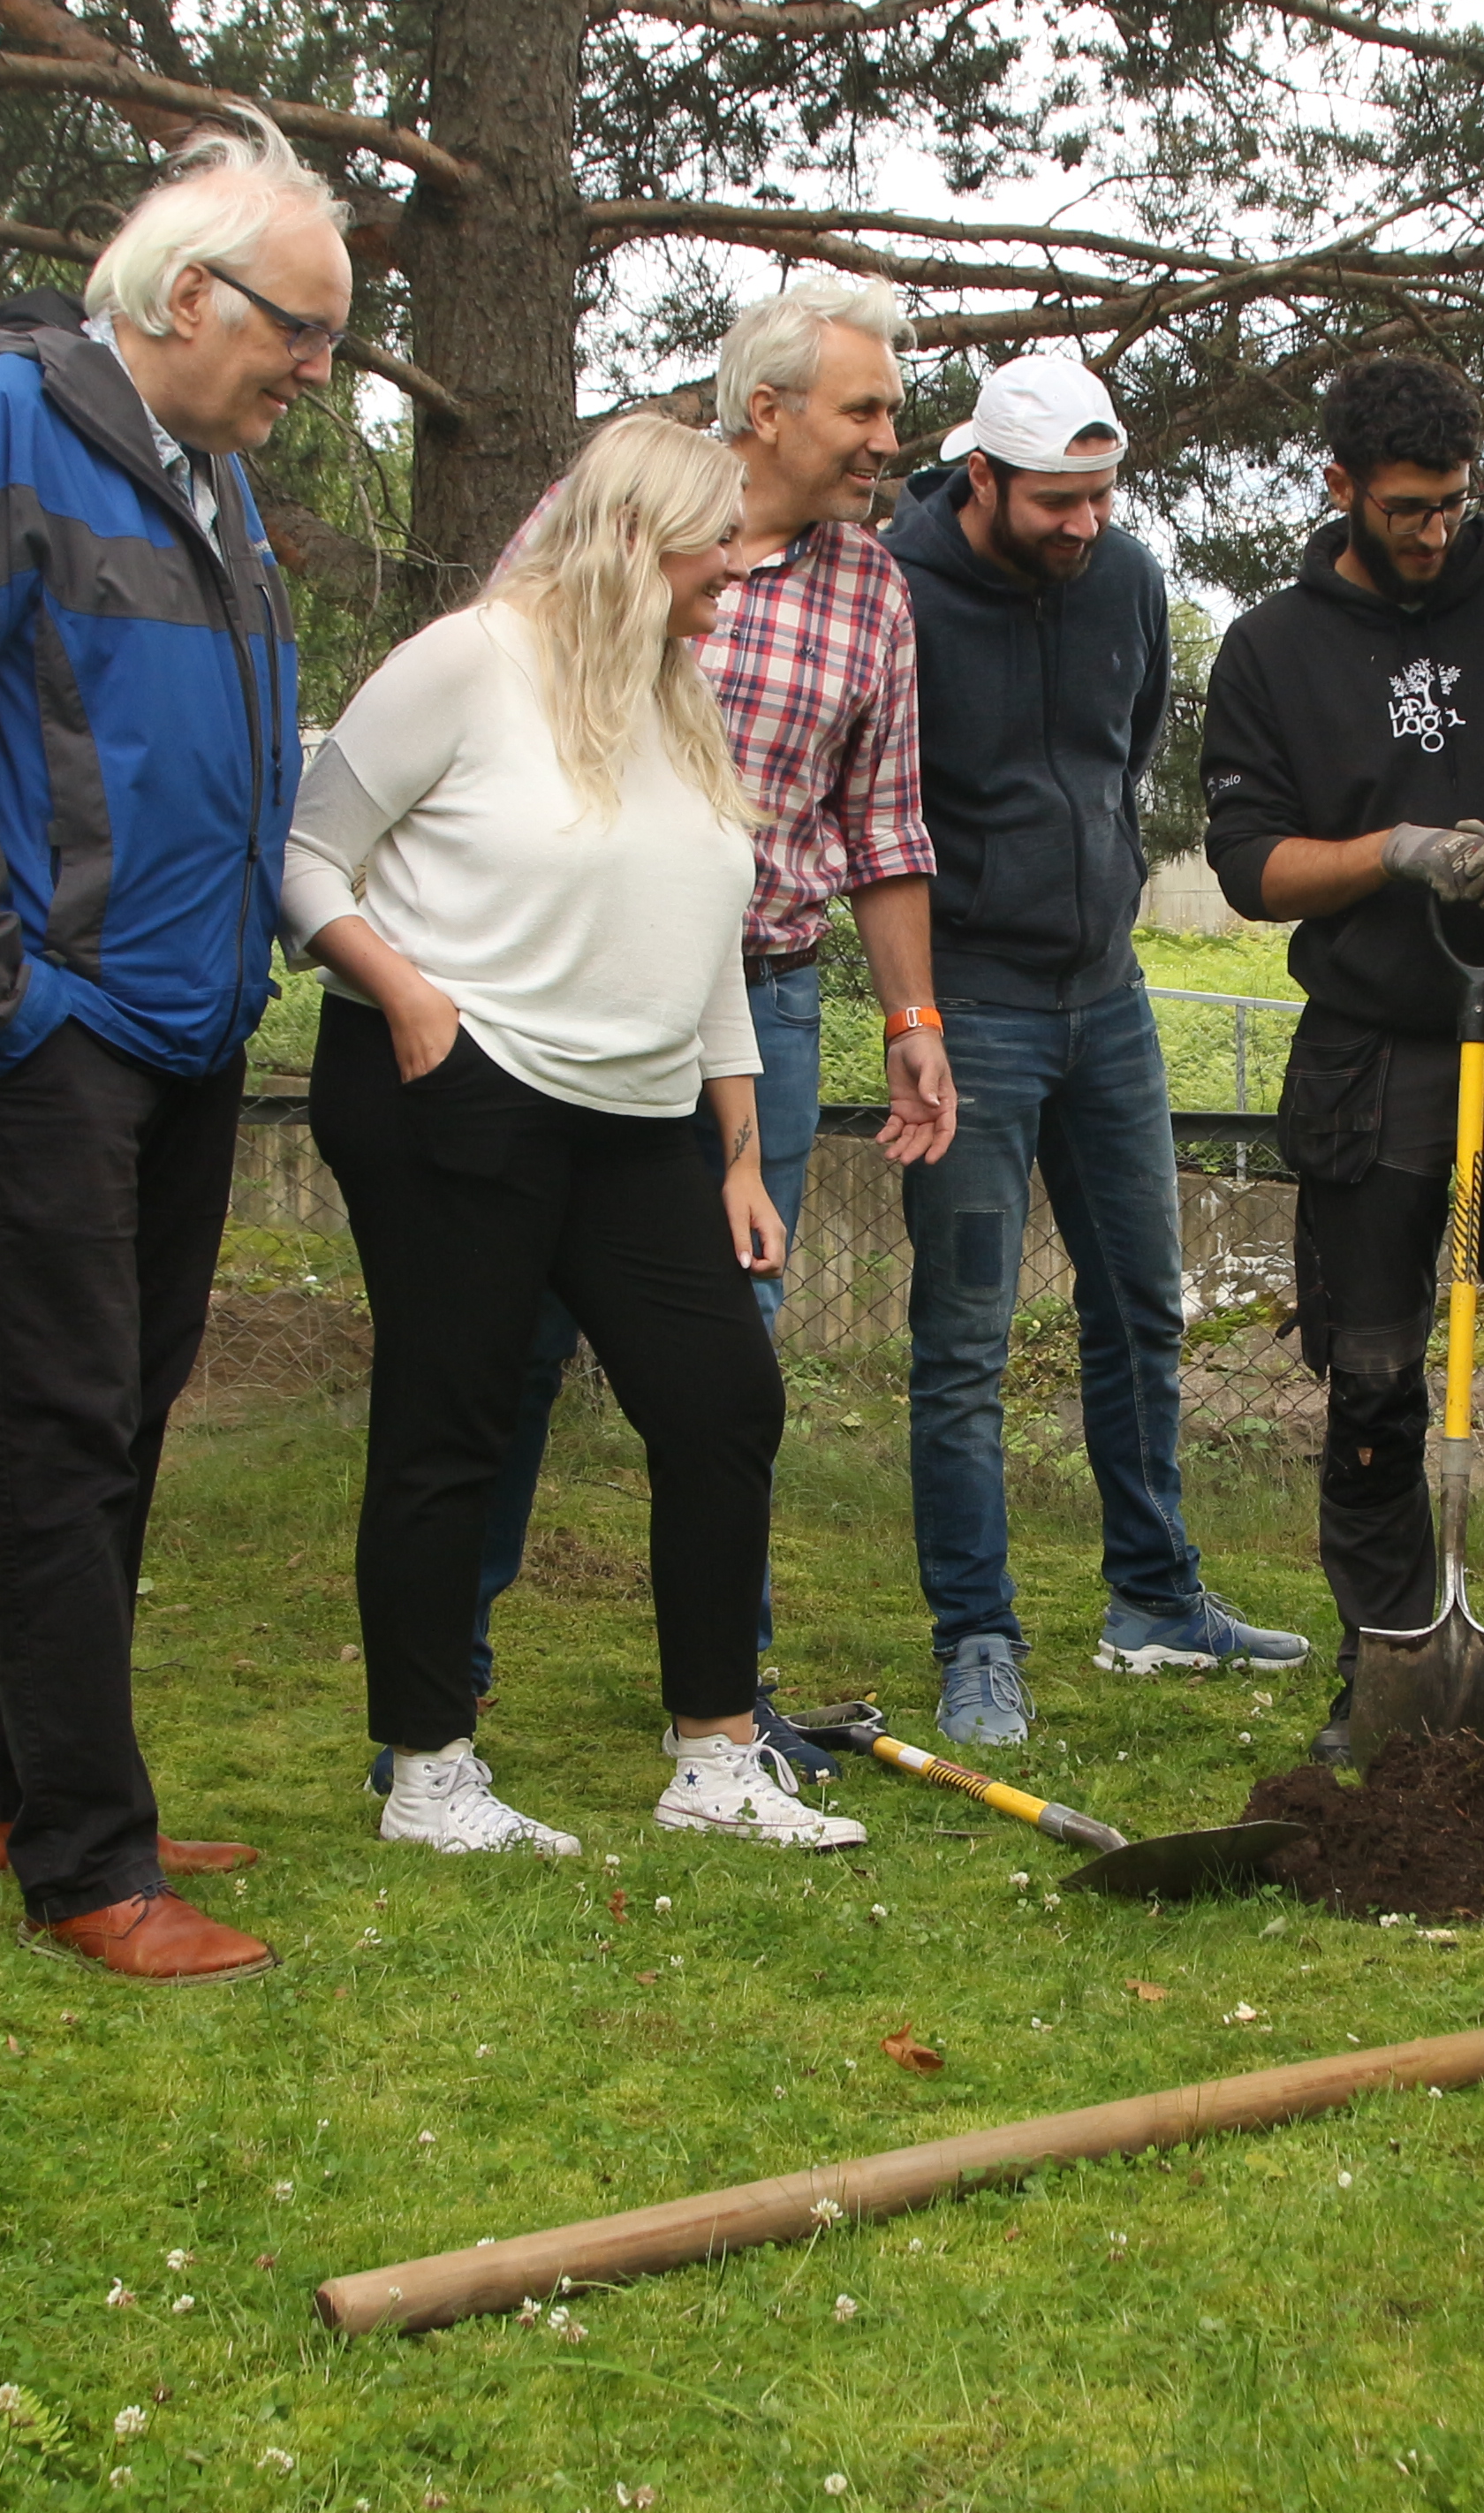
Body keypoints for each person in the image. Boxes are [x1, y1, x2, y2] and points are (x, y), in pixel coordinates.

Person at [0, 115, 331, 1985]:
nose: (316, 368)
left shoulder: (209, 478)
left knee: (120, 1414)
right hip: (54, 1025)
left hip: (187, 1024)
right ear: (188, 294)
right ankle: (86, 1871)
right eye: (301, 328)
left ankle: (16, 1786)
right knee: (59, 1425)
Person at [289, 412, 867, 1856]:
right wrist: (404, 995)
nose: (737, 567)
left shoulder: (673, 692)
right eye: (712, 543)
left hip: (634, 1117)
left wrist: (734, 1148)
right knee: (456, 1421)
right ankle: (428, 1773)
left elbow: (700, 930)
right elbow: (304, 856)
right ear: (625, 541)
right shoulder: (466, 662)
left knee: (721, 1399)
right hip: (458, 1088)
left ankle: (713, 1758)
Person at [418, 275, 956, 1784]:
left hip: (760, 1013)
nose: (883, 441)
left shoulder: (873, 586)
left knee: (733, 1358)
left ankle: (724, 1702)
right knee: (509, 1346)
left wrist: (910, 1019)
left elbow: (884, 828)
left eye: (889, 412)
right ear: (764, 410)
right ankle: (437, 1699)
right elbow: (491, 701)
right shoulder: (611, 514)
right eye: (862, 409)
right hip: (561, 1008)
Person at [1200, 352, 1484, 1758]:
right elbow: (1249, 867)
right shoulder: (1273, 649)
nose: (1434, 530)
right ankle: (1388, 1672)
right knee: (1376, 1385)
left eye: (1455, 503)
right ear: (1339, 487)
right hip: (1372, 1060)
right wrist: (1392, 854)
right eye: (1406, 506)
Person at [882, 347, 1311, 1745]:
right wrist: (920, 1006)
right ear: (984, 479)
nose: (1084, 525)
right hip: (972, 1008)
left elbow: (1124, 755)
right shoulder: (898, 587)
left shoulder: (1123, 581)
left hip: (1107, 998)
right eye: (1057, 501)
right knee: (962, 1340)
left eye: (1102, 497)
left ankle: (1153, 1600)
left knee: (1140, 1310)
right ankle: (977, 1638)